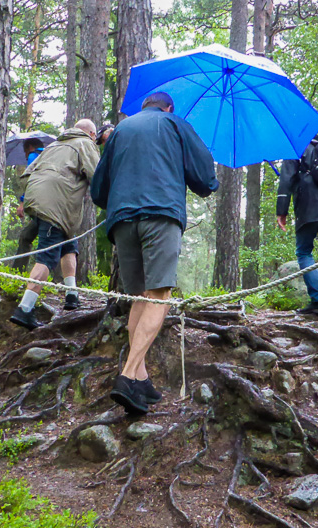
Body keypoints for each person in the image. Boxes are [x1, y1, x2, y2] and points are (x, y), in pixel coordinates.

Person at [91, 92, 218, 416]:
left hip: (122, 220)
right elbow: (204, 178)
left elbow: (99, 189)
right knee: (159, 295)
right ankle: (126, 376)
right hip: (161, 215)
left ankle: (141, 378)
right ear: (169, 107)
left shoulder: (120, 129)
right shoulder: (175, 123)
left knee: (139, 296)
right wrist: (205, 184)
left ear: (144, 106)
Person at [10, 120, 100, 330]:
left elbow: (27, 174)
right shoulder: (85, 143)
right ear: (91, 134)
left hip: (39, 201)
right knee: (47, 256)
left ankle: (71, 295)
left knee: (68, 244)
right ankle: (24, 308)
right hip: (56, 205)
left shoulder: (53, 145)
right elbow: (97, 175)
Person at [275, 135, 318, 316]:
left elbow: (286, 180)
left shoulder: (295, 149)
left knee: (304, 252)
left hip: (309, 208)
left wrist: (281, 211)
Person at [14, 138, 46, 272]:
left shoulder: (34, 156)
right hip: (54, 205)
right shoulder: (49, 156)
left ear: (30, 147)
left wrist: (22, 202)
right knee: (27, 236)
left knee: (28, 238)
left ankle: (17, 273)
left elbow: (30, 180)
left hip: (43, 207)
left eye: (25, 152)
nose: (26, 156)